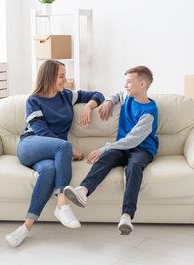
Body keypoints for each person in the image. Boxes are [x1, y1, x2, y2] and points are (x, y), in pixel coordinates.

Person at [6, 60, 105, 247]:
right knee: (64, 147)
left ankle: (25, 227)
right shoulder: (33, 100)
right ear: (49, 76)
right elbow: (40, 131)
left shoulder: (66, 96)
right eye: (61, 76)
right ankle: (62, 202)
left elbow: (97, 94)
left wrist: (88, 106)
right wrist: (69, 149)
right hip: (30, 146)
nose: (65, 80)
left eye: (65, 76)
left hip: (51, 155)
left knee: (50, 170)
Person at [63, 66, 158, 235]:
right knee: (106, 158)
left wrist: (104, 147)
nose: (125, 85)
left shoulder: (150, 111)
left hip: (142, 149)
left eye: (129, 82)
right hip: (122, 148)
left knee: (134, 167)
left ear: (142, 84)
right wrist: (109, 101)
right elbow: (117, 95)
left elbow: (133, 140)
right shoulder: (127, 97)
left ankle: (126, 216)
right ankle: (83, 191)